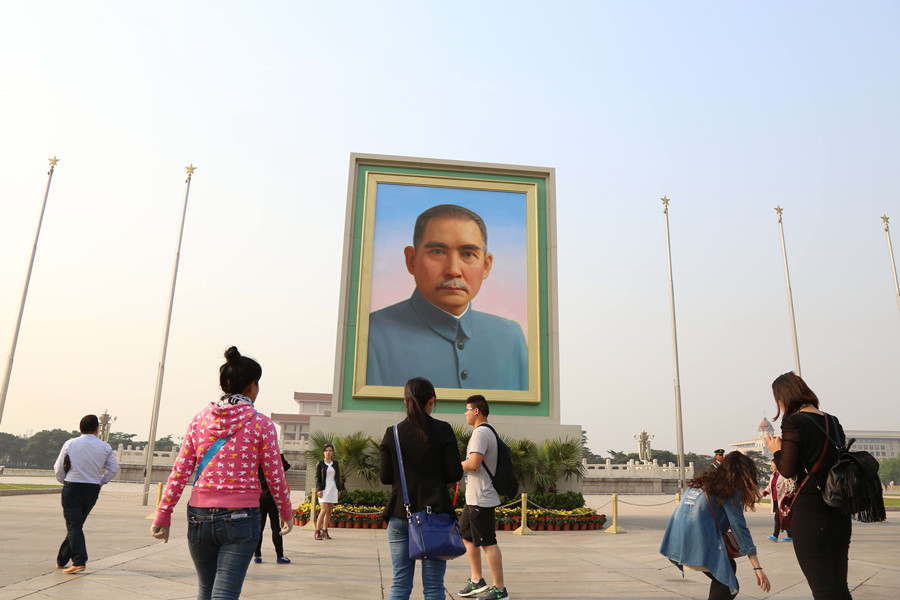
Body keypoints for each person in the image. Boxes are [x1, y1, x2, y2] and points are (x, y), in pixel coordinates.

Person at [150, 346, 293, 600]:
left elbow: (180, 471)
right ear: (251, 386)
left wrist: (163, 513)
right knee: (225, 593)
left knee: (206, 590)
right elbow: (275, 475)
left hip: (199, 517)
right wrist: (285, 511)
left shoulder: (199, 421)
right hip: (241, 518)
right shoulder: (262, 424)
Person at [367, 204, 528, 390]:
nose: (453, 270)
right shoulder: (371, 335)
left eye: (468, 254)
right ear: (411, 260)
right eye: (437, 252)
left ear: (485, 266)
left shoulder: (511, 337)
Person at [764, 372, 852, 599]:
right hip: (839, 511)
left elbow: (787, 469)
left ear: (783, 398)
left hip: (811, 511)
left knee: (823, 591)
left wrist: (776, 450)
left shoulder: (794, 422)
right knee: (840, 588)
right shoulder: (832, 420)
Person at [380, 377, 464, 600]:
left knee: (399, 584)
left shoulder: (393, 433)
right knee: (435, 587)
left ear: (406, 402)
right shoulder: (444, 430)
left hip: (400, 515)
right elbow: (455, 473)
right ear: (432, 401)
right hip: (435, 517)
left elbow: (386, 477)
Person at [660, 451, 770, 599]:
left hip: (675, 541)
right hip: (695, 542)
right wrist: (757, 567)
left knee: (729, 568)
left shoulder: (700, 482)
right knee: (730, 586)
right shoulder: (729, 489)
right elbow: (739, 527)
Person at [53, 414, 120, 574]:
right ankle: (62, 559)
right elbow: (114, 468)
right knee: (77, 524)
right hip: (91, 489)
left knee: (74, 524)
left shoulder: (70, 443)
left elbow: (58, 468)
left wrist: (65, 481)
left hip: (73, 487)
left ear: (80, 428)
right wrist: (101, 482)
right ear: (97, 429)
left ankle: (79, 561)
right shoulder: (105, 447)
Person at [459, 394, 509, 600]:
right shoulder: (487, 432)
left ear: (476, 411)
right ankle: (477, 580)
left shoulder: (480, 433)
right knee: (466, 534)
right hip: (474, 498)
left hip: (482, 498)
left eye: (467, 410)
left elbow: (474, 463)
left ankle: (500, 589)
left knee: (488, 542)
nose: (465, 414)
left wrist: (454, 466)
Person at [254, 453, 292, 563]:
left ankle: (257, 555)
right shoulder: (276, 456)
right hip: (273, 497)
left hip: (260, 497)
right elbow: (286, 467)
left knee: (259, 528)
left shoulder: (257, 458)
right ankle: (280, 555)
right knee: (276, 527)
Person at [314, 443, 344, 540]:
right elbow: (317, 478)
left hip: (333, 488)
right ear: (324, 452)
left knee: (329, 511)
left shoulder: (335, 464)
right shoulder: (320, 463)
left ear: (333, 452)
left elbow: (338, 477)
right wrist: (319, 489)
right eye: (326, 450)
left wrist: (339, 490)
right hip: (324, 488)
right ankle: (317, 532)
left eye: (330, 450)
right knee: (323, 510)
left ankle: (325, 531)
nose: (328, 452)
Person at [762, 460, 793, 542]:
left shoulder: (783, 475)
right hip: (776, 500)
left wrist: (787, 495)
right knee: (782, 518)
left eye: (773, 465)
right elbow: (769, 487)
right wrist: (763, 494)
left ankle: (775, 536)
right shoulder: (773, 475)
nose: (772, 466)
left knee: (777, 517)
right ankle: (790, 536)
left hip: (783, 500)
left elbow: (788, 485)